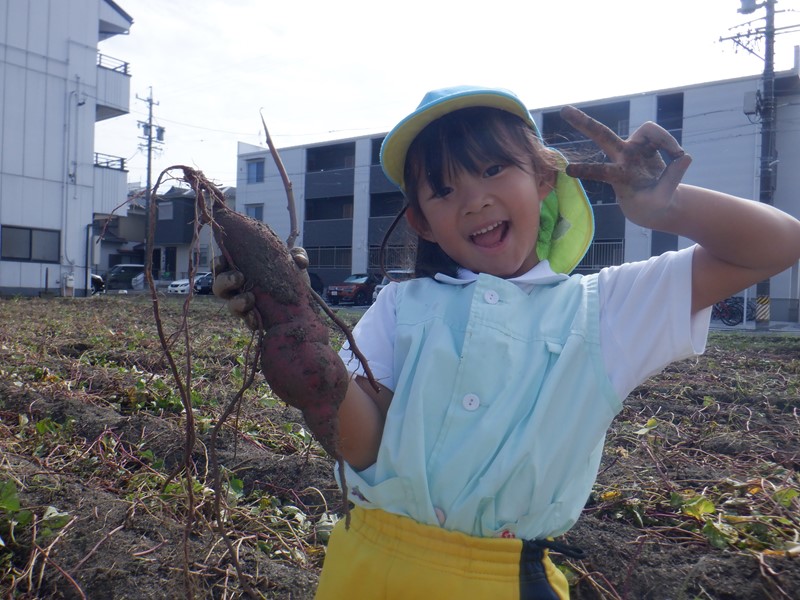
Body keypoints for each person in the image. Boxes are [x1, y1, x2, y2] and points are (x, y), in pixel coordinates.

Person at [219, 85, 800, 599]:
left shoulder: (605, 309)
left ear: (545, 179)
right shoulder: (400, 305)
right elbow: (365, 445)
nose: (474, 199)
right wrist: (298, 343)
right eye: (443, 190)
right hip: (365, 563)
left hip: (501, 580)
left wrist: (667, 207)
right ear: (422, 222)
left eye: (494, 169)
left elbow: (777, 245)